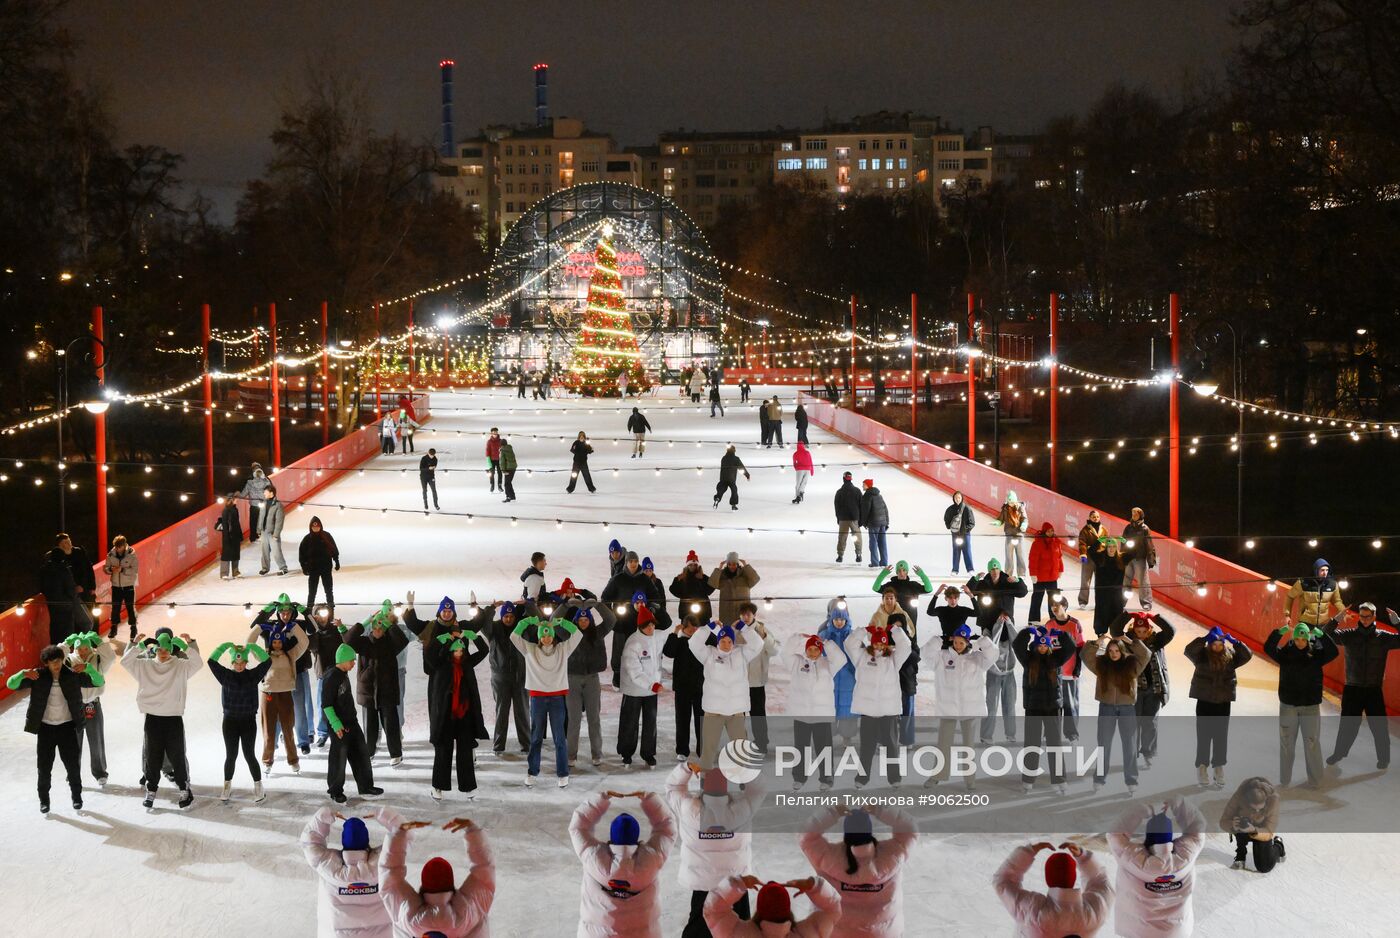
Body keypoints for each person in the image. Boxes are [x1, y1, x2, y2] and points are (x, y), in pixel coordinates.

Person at [666, 763, 764, 938]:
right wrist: (742, 771)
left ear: (703, 786)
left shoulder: (688, 809)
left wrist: (687, 768)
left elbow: (673, 787)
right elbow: (759, 788)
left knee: (698, 930)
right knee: (740, 931)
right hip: (736, 883)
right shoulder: (743, 809)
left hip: (702, 884)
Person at [7, 643, 104, 813]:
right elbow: (11, 685)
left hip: (67, 728)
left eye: (58, 660)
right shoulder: (37, 676)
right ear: (46, 663)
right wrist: (22, 673)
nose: (57, 665)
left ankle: (77, 797)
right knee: (44, 768)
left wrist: (88, 668)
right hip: (46, 729)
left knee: (73, 767)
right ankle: (44, 801)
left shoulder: (72, 675)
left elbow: (99, 682)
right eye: (53, 662)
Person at [572, 791, 676, 937]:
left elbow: (578, 827)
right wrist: (649, 798)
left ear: (612, 836)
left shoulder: (592, 856)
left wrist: (602, 797)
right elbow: (667, 828)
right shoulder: (652, 858)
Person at [800, 806, 914, 936]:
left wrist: (832, 813)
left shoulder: (826, 857)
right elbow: (909, 828)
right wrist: (880, 810)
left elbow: (806, 836)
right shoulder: (894, 854)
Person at [122, 628, 202, 809]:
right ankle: (151, 790)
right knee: (152, 756)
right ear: (154, 649)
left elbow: (198, 663)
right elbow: (125, 661)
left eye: (166, 649)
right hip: (153, 718)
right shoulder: (145, 665)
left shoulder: (181, 666)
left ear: (172, 648)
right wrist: (138, 645)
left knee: (177, 756)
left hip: (173, 718)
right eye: (159, 649)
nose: (163, 653)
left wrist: (187, 645)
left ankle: (184, 788)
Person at [379, 817, 496, 937]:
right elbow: (485, 870)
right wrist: (473, 830)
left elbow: (389, 874)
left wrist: (399, 834)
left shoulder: (404, 913)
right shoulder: (472, 908)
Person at [1108, 798, 1206, 938]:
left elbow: (1115, 834)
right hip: (1177, 933)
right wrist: (1178, 803)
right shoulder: (1187, 855)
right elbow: (1197, 826)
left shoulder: (1130, 857)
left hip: (1138, 933)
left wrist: (1143, 810)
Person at [301, 805, 400, 937]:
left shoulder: (326, 864)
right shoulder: (385, 863)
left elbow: (309, 841)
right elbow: (404, 834)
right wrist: (383, 815)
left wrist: (322, 816)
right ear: (367, 840)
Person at [512, 610, 584, 787]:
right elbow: (514, 636)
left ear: (553, 636)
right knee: (536, 737)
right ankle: (532, 771)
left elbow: (578, 634)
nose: (546, 639)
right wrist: (527, 621)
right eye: (543, 636)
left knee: (560, 737)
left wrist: (561, 623)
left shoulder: (562, 649)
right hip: (537, 698)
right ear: (539, 638)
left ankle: (563, 773)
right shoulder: (529, 650)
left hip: (557, 698)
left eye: (549, 635)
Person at [1325, 602, 1400, 770]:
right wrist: (1336, 619)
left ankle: (1384, 758)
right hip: (1353, 687)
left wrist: (1398, 622)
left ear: (1374, 617)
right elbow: (1325, 635)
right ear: (1359, 616)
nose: (1365, 620)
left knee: (1379, 727)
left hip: (1374, 690)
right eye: (1362, 616)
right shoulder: (1350, 635)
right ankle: (1339, 753)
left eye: (1368, 616)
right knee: (1347, 725)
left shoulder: (1383, 637)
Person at [1265, 622, 1338, 787]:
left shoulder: (1317, 654)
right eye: (1297, 638)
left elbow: (1333, 652)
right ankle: (1285, 780)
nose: (1299, 642)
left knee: (1312, 742)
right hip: (1288, 706)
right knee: (1286, 743)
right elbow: (1268, 648)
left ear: (1307, 639)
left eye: (1303, 639)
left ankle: (1316, 780)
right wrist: (1278, 632)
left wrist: (1322, 635)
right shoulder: (1285, 653)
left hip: (1310, 706)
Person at [925, 625, 997, 788]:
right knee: (943, 743)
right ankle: (937, 775)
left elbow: (993, 654)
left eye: (961, 643)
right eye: (956, 642)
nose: (958, 646)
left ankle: (970, 780)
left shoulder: (978, 659)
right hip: (948, 708)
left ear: (967, 643)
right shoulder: (942, 657)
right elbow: (926, 654)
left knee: (968, 745)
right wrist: (938, 640)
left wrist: (983, 641)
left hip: (970, 708)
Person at [844, 621, 912, 787]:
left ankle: (894, 778)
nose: (879, 644)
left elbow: (906, 645)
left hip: (888, 710)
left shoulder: (894, 658)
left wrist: (895, 630)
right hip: (868, 711)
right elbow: (849, 644)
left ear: (886, 643)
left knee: (891, 746)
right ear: (871, 641)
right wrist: (863, 630)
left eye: (882, 641)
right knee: (867, 746)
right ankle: (862, 778)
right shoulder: (861, 656)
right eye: (876, 641)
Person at [1184, 626, 1252, 789]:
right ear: (1209, 644)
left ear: (1223, 644)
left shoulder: (1231, 658)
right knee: (1204, 736)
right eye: (1213, 644)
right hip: (1205, 702)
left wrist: (1236, 643)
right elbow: (1188, 650)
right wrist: (1203, 639)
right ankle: (1202, 766)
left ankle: (1218, 766)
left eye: (1219, 644)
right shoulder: (1201, 656)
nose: (1216, 647)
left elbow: (1247, 655)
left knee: (1221, 737)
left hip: (1223, 702)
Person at [425, 629, 489, 800]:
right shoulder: (440, 664)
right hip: (445, 715)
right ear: (450, 651)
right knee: (443, 752)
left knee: (465, 753)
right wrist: (439, 638)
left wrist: (474, 637)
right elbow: (429, 654)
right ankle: (437, 786)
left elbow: (484, 651)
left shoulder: (467, 664)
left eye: (461, 650)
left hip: (465, 715)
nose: (459, 654)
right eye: (456, 651)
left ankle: (468, 787)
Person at [1082, 633, 1150, 793]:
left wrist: (1129, 641)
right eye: (1110, 651)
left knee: (1129, 745)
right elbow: (1085, 655)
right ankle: (1099, 778)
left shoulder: (1132, 665)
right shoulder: (1101, 665)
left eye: (1116, 651)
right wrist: (1098, 642)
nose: (1113, 654)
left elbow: (1146, 654)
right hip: (1107, 708)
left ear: (1122, 651)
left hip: (1127, 708)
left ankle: (1131, 780)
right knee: (1104, 744)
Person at [968, 559, 1027, 744]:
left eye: (996, 568)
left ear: (999, 569)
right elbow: (971, 591)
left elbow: (1023, 591)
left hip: (1006, 627)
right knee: (991, 704)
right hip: (988, 626)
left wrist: (1017, 581)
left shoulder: (1006, 581)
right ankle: (987, 735)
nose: (993, 571)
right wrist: (973, 579)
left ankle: (1011, 734)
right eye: (991, 568)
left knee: (1009, 704)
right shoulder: (984, 582)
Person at [1012, 625, 1076, 793]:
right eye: (1039, 645)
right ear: (1035, 646)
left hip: (1053, 708)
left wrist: (1061, 634)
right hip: (1033, 708)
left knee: (1055, 744)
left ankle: (1059, 780)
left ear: (1049, 646)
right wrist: (1027, 632)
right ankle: (1028, 780)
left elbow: (1070, 646)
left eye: (1045, 645)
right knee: (1031, 743)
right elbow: (1017, 645)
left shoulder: (1056, 659)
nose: (1042, 648)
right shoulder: (1028, 659)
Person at [691, 620, 764, 768]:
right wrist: (708, 627)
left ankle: (743, 777)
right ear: (718, 641)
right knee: (708, 749)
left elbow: (758, 644)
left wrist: (744, 628)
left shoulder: (742, 653)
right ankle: (705, 778)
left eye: (730, 641)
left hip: (735, 712)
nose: (726, 644)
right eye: (723, 641)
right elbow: (693, 643)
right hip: (713, 711)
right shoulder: (709, 654)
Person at [248, 601, 310, 775]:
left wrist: (294, 627)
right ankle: (267, 760)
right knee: (268, 731)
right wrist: (260, 626)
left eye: (278, 641)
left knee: (288, 730)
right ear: (270, 642)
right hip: (268, 694)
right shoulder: (263, 656)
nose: (276, 644)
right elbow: (249, 642)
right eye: (273, 642)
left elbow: (304, 642)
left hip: (285, 693)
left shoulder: (291, 654)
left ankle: (293, 760)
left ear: (282, 642)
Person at [345, 602, 410, 765]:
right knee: (370, 726)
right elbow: (348, 640)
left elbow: (403, 640)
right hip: (367, 690)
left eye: (381, 627)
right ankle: (369, 752)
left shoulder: (391, 643)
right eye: (375, 627)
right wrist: (367, 621)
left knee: (391, 725)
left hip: (387, 691)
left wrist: (389, 622)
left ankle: (396, 753)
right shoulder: (364, 642)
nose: (378, 629)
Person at [207, 640, 272, 803]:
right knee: (231, 755)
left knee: (249, 754)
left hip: (248, 721)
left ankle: (258, 786)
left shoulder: (252, 675)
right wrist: (224, 646)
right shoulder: (225, 675)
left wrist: (252, 647)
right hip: (230, 721)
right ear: (232, 662)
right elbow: (211, 661)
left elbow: (267, 661)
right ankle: (227, 785)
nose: (240, 665)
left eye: (242, 662)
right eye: (236, 662)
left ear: (246, 662)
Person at [321, 642, 383, 803]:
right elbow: (326, 705)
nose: (354, 663)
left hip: (351, 721)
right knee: (338, 758)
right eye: (351, 660)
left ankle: (365, 786)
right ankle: (335, 790)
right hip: (339, 725)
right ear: (342, 660)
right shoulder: (331, 676)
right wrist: (336, 724)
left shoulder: (343, 673)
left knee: (361, 753)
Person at [564, 595, 617, 768]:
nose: (584, 622)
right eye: (581, 619)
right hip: (572, 679)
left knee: (594, 718)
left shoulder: (597, 632)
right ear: (576, 620)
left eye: (587, 619)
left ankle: (597, 753)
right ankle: (571, 755)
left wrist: (599, 605)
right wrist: (565, 605)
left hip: (593, 679)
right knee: (574, 720)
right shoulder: (569, 633)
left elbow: (611, 619)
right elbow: (553, 620)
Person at [704, 875, 839, 938]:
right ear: (787, 907)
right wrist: (814, 886)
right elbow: (832, 909)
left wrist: (738, 884)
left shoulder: (738, 934)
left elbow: (713, 911)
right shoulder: (809, 934)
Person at [787, 633, 839, 790]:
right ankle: (799, 777)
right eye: (809, 649)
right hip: (802, 713)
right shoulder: (797, 662)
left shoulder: (828, 664)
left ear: (820, 650)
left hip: (821, 714)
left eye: (816, 649)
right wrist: (797, 637)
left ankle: (826, 778)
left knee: (824, 747)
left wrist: (827, 643)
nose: (812, 652)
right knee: (801, 747)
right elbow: (785, 652)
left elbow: (841, 659)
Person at [1123, 611, 1174, 768]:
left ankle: (1148, 752)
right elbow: (1115, 630)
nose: (1141, 635)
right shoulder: (1128, 641)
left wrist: (1155, 617)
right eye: (1138, 632)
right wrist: (1128, 615)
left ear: (1149, 630)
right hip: (1135, 689)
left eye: (1144, 632)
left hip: (1154, 689)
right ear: (1133, 630)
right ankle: (1132, 753)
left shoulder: (1157, 641)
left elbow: (1170, 631)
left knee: (1150, 723)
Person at [619, 603, 666, 768]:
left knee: (650, 722)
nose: (651, 628)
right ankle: (626, 753)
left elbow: (670, 630)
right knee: (629, 723)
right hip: (634, 690)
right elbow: (634, 672)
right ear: (640, 626)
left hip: (651, 691)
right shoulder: (633, 643)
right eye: (648, 626)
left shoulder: (657, 637)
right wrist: (652, 685)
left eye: (653, 625)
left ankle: (648, 754)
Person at [65, 631, 114, 787]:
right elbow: (55, 656)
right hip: (73, 707)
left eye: (86, 649)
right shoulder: (69, 660)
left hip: (93, 704)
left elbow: (112, 657)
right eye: (80, 649)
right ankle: (72, 773)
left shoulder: (98, 658)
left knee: (96, 740)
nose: (83, 652)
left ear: (90, 648)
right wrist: (66, 643)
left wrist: (100, 643)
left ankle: (100, 773)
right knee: (73, 742)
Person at [485, 601, 530, 755]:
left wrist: (528, 605)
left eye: (511, 616)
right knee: (501, 711)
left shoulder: (522, 628)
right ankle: (498, 746)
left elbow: (535, 620)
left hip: (521, 676)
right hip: (500, 677)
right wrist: (491, 608)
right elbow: (484, 624)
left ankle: (526, 744)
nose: (509, 619)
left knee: (522, 711)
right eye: (506, 616)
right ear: (501, 616)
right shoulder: (494, 629)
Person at [736, 602, 779, 752]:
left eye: (749, 614)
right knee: (738, 716)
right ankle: (740, 742)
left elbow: (774, 650)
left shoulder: (762, 629)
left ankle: (761, 743)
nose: (746, 617)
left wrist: (765, 636)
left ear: (754, 615)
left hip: (757, 681)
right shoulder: (736, 629)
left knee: (758, 714)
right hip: (738, 682)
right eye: (743, 614)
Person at [665, 615, 707, 763]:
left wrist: (713, 628)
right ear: (683, 627)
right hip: (682, 687)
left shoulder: (702, 640)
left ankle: (702, 749)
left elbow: (717, 643)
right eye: (690, 627)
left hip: (700, 687)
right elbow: (668, 652)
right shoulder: (679, 641)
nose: (693, 630)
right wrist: (673, 633)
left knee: (701, 720)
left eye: (696, 627)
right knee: (682, 719)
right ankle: (682, 750)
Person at [1220, 777, 1285, 873]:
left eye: (1260, 809)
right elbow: (1223, 821)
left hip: (1262, 831)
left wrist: (1254, 830)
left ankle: (1278, 845)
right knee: (1240, 827)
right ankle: (1240, 856)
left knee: (1264, 867)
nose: (1257, 811)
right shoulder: (1239, 796)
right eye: (1253, 809)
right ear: (1246, 802)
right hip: (1244, 829)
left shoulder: (1273, 801)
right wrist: (1232, 824)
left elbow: (1269, 831)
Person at [1045, 595, 1085, 742]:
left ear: (1065, 606)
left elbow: (1080, 645)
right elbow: (1045, 647)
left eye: (1057, 605)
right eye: (1052, 606)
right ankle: (1051, 730)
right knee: (1052, 703)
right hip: (1054, 672)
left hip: (1069, 671)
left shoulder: (1074, 624)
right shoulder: (1049, 625)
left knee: (1070, 703)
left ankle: (1071, 732)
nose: (1054, 608)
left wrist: (1078, 666)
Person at [817, 600, 858, 743]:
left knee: (848, 707)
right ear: (831, 619)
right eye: (836, 619)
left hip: (849, 678)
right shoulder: (824, 636)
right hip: (830, 677)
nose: (839, 622)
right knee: (830, 705)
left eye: (842, 619)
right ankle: (829, 734)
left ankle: (848, 736)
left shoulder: (853, 636)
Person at [39, 539, 85, 645]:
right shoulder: (64, 570)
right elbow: (70, 587)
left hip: (52, 604)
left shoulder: (44, 570)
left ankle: (55, 650)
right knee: (67, 630)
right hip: (66, 605)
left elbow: (41, 586)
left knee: (55, 628)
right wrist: (72, 598)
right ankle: (66, 653)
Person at [872, 561, 932, 635]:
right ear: (896, 572)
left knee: (910, 633)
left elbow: (929, 589)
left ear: (907, 572)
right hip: (893, 614)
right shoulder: (891, 585)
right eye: (899, 571)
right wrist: (883, 574)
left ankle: (913, 645)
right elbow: (876, 588)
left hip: (910, 613)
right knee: (893, 635)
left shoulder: (913, 585)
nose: (902, 573)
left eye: (904, 570)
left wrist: (922, 575)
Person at [1286, 557, 1346, 630]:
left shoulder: (1332, 584)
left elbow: (1337, 601)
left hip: (1323, 624)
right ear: (1316, 570)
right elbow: (1290, 596)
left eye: (1327, 570)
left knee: (1323, 641)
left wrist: (1343, 611)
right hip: (1305, 623)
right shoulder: (1303, 583)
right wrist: (1287, 615)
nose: (1325, 573)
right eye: (1322, 570)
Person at [300, 516, 340, 613]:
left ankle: (331, 605)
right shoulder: (307, 539)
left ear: (320, 526)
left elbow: (333, 548)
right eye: (314, 527)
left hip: (326, 567)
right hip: (313, 568)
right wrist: (304, 566)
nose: (316, 529)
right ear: (311, 527)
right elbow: (302, 553)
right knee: (312, 590)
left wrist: (336, 560)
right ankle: (309, 607)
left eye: (317, 527)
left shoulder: (326, 536)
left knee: (328, 588)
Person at [1026, 522, 1064, 623]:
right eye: (1048, 531)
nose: (1050, 533)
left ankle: (1054, 618)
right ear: (1044, 531)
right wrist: (1033, 574)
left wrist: (1060, 569)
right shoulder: (1037, 544)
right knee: (1037, 598)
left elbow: (1059, 558)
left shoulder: (1057, 542)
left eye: (1052, 531)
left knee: (1053, 600)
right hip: (1040, 578)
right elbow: (1033, 560)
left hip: (1052, 577)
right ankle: (1033, 620)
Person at [102, 534, 139, 639]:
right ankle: (114, 627)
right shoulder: (110, 555)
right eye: (116, 547)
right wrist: (111, 570)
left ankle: (133, 627)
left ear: (124, 545)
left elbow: (135, 570)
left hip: (128, 586)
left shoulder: (132, 555)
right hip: (116, 586)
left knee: (130, 607)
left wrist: (122, 570)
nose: (118, 549)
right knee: (115, 608)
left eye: (120, 547)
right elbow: (106, 568)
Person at [1120, 507, 1156, 610]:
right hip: (1128, 557)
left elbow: (1149, 545)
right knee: (1126, 580)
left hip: (1139, 558)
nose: (1133, 515)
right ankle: (1122, 602)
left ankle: (1146, 603)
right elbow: (1123, 541)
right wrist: (1122, 556)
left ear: (1140, 515)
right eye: (1132, 513)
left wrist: (1151, 559)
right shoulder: (1128, 527)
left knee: (1143, 581)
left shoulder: (1144, 529)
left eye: (1135, 514)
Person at [709, 553, 760, 625]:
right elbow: (713, 583)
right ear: (727, 565)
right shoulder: (722, 576)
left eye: (734, 564)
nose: (732, 566)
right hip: (727, 612)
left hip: (743, 612)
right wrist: (719, 569)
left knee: (744, 633)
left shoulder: (744, 575)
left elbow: (755, 579)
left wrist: (746, 566)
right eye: (729, 564)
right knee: (728, 634)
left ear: (737, 564)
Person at [1090, 537, 1127, 637]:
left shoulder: (1122, 558)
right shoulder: (1100, 558)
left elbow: (1134, 552)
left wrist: (1125, 542)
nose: (1111, 549)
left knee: (1117, 613)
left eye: (1114, 546)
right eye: (1109, 547)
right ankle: (1100, 634)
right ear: (1106, 547)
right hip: (1102, 594)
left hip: (1116, 594)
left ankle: (1116, 636)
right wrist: (1099, 541)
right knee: (1102, 613)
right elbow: (1090, 551)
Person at [671, 550, 716, 623]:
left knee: (704, 631)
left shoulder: (704, 578)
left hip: (703, 611)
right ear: (687, 566)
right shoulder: (681, 578)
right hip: (686, 611)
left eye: (695, 565)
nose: (693, 566)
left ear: (698, 566)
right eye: (690, 565)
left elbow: (709, 591)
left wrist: (701, 580)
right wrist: (677, 582)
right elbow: (673, 590)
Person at [992, 491, 1030, 577]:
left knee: (1020, 556)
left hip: (1019, 535)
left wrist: (1024, 525)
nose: (1011, 504)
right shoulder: (1005, 508)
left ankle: (1022, 574)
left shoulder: (1020, 508)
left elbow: (1025, 519)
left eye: (1012, 502)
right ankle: (1008, 574)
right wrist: (997, 522)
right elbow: (1001, 519)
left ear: (1015, 501)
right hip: (1009, 535)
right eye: (1009, 502)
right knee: (1008, 556)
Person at [1076, 510, 1107, 607]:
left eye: (1097, 517)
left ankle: (1100, 601)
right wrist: (1083, 554)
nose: (1096, 518)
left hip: (1100, 558)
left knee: (1100, 581)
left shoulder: (1104, 530)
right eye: (1093, 517)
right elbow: (1082, 543)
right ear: (1090, 518)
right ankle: (1083, 601)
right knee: (1085, 581)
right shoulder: (1085, 530)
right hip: (1089, 558)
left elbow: (1107, 543)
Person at [258, 484, 288, 576]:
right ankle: (265, 568)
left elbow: (279, 521)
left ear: (271, 493)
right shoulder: (264, 503)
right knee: (264, 552)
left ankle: (283, 568)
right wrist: (259, 530)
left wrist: (276, 534)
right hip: (263, 532)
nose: (264, 493)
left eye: (265, 492)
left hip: (272, 533)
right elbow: (261, 517)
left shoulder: (278, 505)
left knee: (276, 552)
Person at [858, 479, 889, 568]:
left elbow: (865, 511)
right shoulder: (879, 495)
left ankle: (875, 562)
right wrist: (886, 522)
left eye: (863, 484)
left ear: (868, 485)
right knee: (882, 543)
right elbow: (885, 509)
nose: (862, 486)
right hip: (882, 523)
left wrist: (864, 522)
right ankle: (884, 561)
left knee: (873, 543)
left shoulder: (867, 496)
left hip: (873, 523)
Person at [834, 471, 863, 564]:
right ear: (851, 479)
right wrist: (860, 518)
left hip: (843, 518)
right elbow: (861, 505)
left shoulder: (839, 492)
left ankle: (840, 555)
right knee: (857, 536)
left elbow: (836, 506)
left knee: (842, 537)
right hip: (855, 518)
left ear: (843, 479)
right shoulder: (857, 491)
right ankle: (858, 554)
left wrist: (838, 518)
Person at [943, 491, 975, 575]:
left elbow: (972, 522)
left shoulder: (967, 509)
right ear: (953, 498)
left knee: (967, 551)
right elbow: (946, 519)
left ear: (962, 498)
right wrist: (949, 526)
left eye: (959, 498)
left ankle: (970, 569)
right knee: (956, 551)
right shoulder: (950, 509)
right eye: (956, 497)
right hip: (955, 534)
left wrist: (966, 530)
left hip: (965, 535)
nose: (957, 499)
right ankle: (955, 569)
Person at [712, 445, 750, 510]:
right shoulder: (736, 459)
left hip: (723, 478)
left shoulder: (723, 458)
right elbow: (741, 467)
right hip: (731, 478)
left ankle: (717, 498)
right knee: (734, 491)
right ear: (734, 451)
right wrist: (747, 475)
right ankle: (733, 504)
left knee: (721, 489)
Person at [217, 493, 243, 582]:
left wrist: (240, 534)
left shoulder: (235, 509)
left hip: (235, 535)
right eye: (236, 499)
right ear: (231, 499)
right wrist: (226, 537)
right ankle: (224, 573)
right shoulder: (226, 510)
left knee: (236, 554)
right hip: (228, 535)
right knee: (226, 554)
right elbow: (225, 524)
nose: (237, 500)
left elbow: (237, 523)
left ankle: (235, 572)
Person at [241, 462, 271, 539]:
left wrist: (238, 495)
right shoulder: (266, 481)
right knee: (265, 519)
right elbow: (271, 491)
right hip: (264, 503)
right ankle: (265, 535)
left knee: (253, 521)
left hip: (254, 505)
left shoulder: (249, 482)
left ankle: (253, 537)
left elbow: (244, 494)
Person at [498, 436, 518, 502]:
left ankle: (508, 497)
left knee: (506, 484)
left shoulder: (502, 451)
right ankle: (512, 497)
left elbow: (502, 461)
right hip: (513, 467)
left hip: (508, 469)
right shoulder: (510, 449)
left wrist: (503, 470)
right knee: (509, 483)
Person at [485, 427, 503, 492]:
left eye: (496, 432)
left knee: (500, 473)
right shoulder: (489, 442)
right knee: (491, 473)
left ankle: (499, 485)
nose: (495, 434)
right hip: (492, 460)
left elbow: (503, 450)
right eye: (494, 433)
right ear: (491, 433)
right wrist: (488, 460)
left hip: (499, 460)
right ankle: (492, 485)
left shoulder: (501, 441)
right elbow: (487, 451)